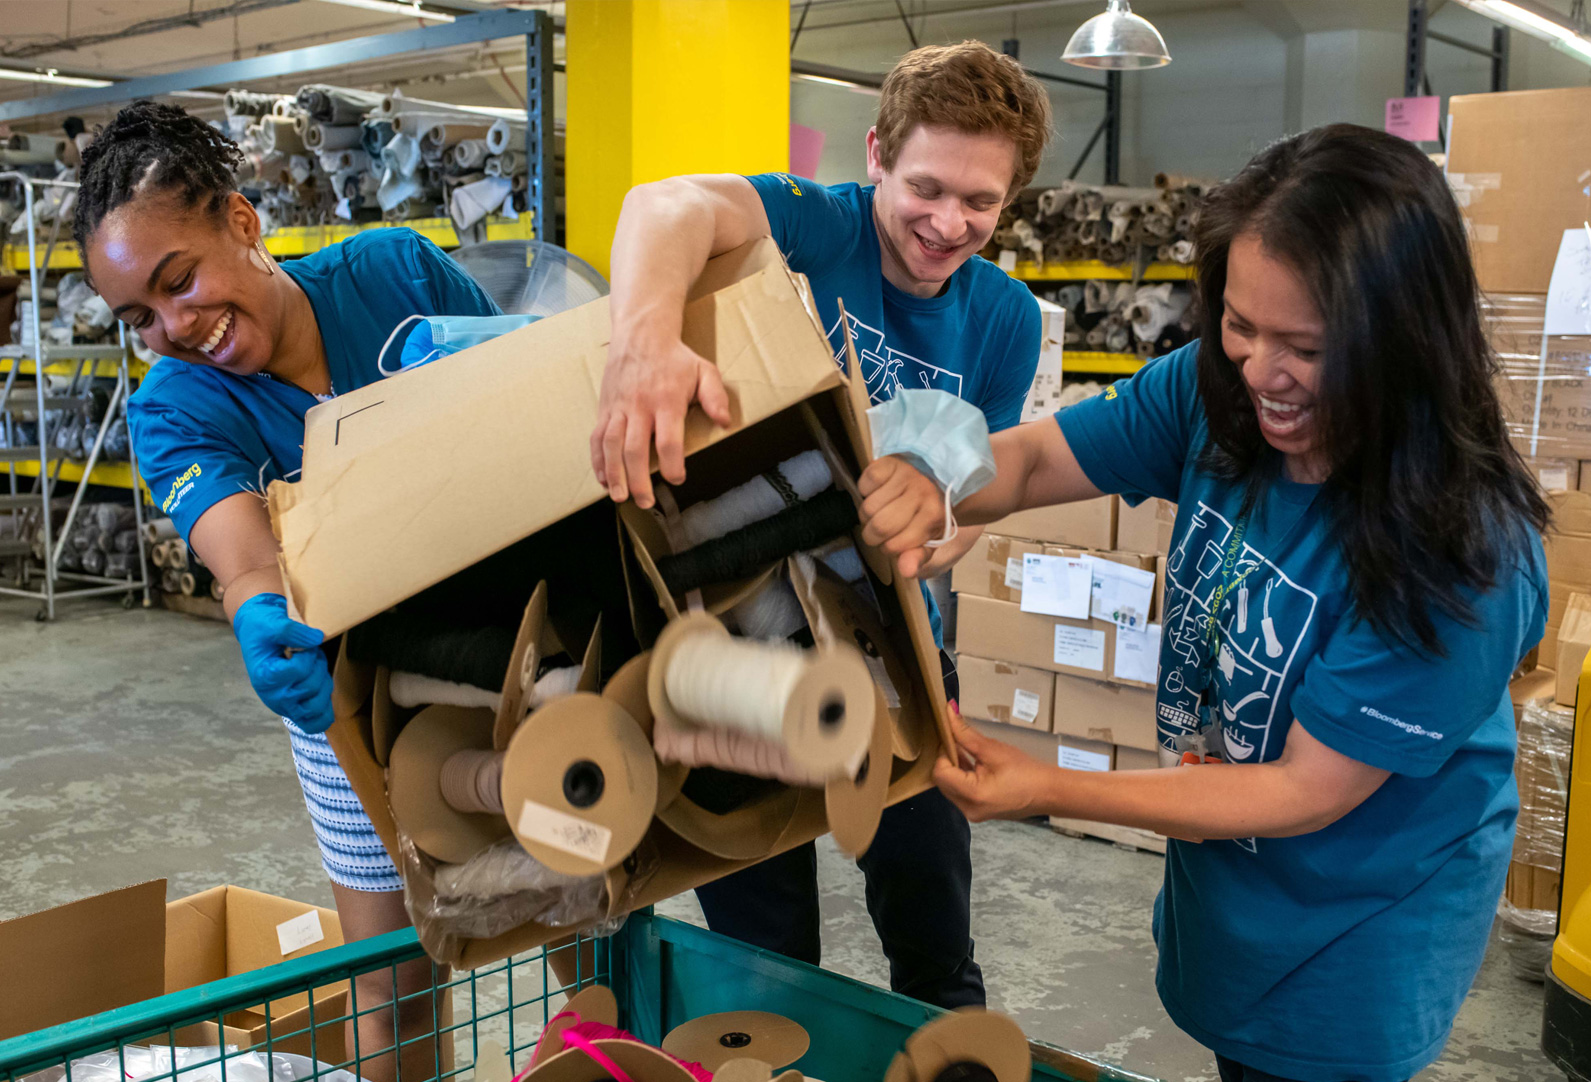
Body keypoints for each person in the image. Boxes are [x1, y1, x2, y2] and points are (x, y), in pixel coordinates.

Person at [861, 124, 1549, 1082]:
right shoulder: (1213, 392)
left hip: (1356, 931)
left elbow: (1305, 790)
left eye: (1305, 346)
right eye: (1241, 324)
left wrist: (1047, 784)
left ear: (1402, 336)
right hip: (1235, 881)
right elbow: (1036, 459)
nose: (1261, 372)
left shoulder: (1463, 552)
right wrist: (920, 478)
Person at [590, 40, 1052, 1008]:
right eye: (926, 186)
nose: (948, 222)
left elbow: (979, 489)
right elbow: (662, 206)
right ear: (876, 154)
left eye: (981, 202)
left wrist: (931, 528)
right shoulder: (818, 224)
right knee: (765, 942)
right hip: (737, 630)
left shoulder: (1005, 316)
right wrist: (644, 347)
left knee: (930, 900)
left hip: (894, 637)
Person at [74, 101, 501, 1082]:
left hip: (508, 651)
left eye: (178, 281)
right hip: (343, 692)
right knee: (395, 976)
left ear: (242, 220)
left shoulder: (395, 275)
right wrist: (259, 607)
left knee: (579, 914)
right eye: (138, 316)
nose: (174, 327)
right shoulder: (173, 403)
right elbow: (246, 552)